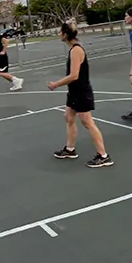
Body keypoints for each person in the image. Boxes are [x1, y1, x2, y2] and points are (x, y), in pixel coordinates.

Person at [47, 19, 112, 168]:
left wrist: (56, 84)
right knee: (69, 117)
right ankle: (70, 149)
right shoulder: (73, 49)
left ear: (65, 35)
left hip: (81, 91)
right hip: (74, 91)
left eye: (60, 32)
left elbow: (74, 75)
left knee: (87, 122)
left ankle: (103, 155)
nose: (59, 34)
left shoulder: (76, 50)